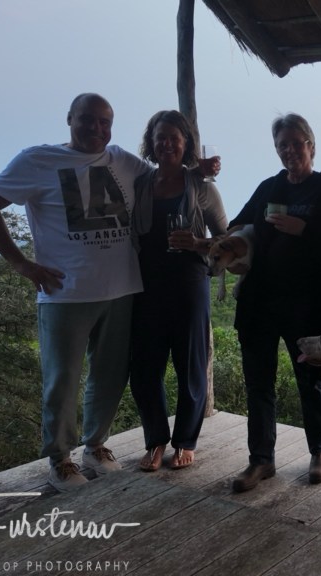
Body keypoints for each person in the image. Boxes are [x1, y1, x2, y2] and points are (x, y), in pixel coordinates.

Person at [0, 93, 219, 492]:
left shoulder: (122, 160)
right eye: (87, 119)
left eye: (105, 122)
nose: (96, 128)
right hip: (65, 292)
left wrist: (198, 169)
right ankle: (60, 459)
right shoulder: (38, 159)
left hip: (122, 291)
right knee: (63, 380)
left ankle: (96, 446)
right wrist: (22, 265)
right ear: (69, 118)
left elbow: (168, 170)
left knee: (109, 378)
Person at [226, 113, 321, 493]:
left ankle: (320, 451)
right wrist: (228, 246)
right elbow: (237, 224)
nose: (290, 151)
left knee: (311, 379)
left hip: (308, 303)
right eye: (283, 145)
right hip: (261, 300)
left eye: (296, 143)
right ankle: (261, 459)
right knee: (258, 383)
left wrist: (304, 228)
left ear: (311, 145)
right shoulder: (269, 187)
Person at [129, 110, 228, 472]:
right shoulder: (140, 184)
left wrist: (198, 243)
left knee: (191, 365)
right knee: (144, 367)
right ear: (151, 143)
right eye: (161, 137)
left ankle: (185, 440)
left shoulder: (202, 187)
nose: (167, 144)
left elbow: (227, 239)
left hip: (189, 283)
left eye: (174, 137)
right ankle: (155, 439)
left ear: (186, 144)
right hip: (146, 284)